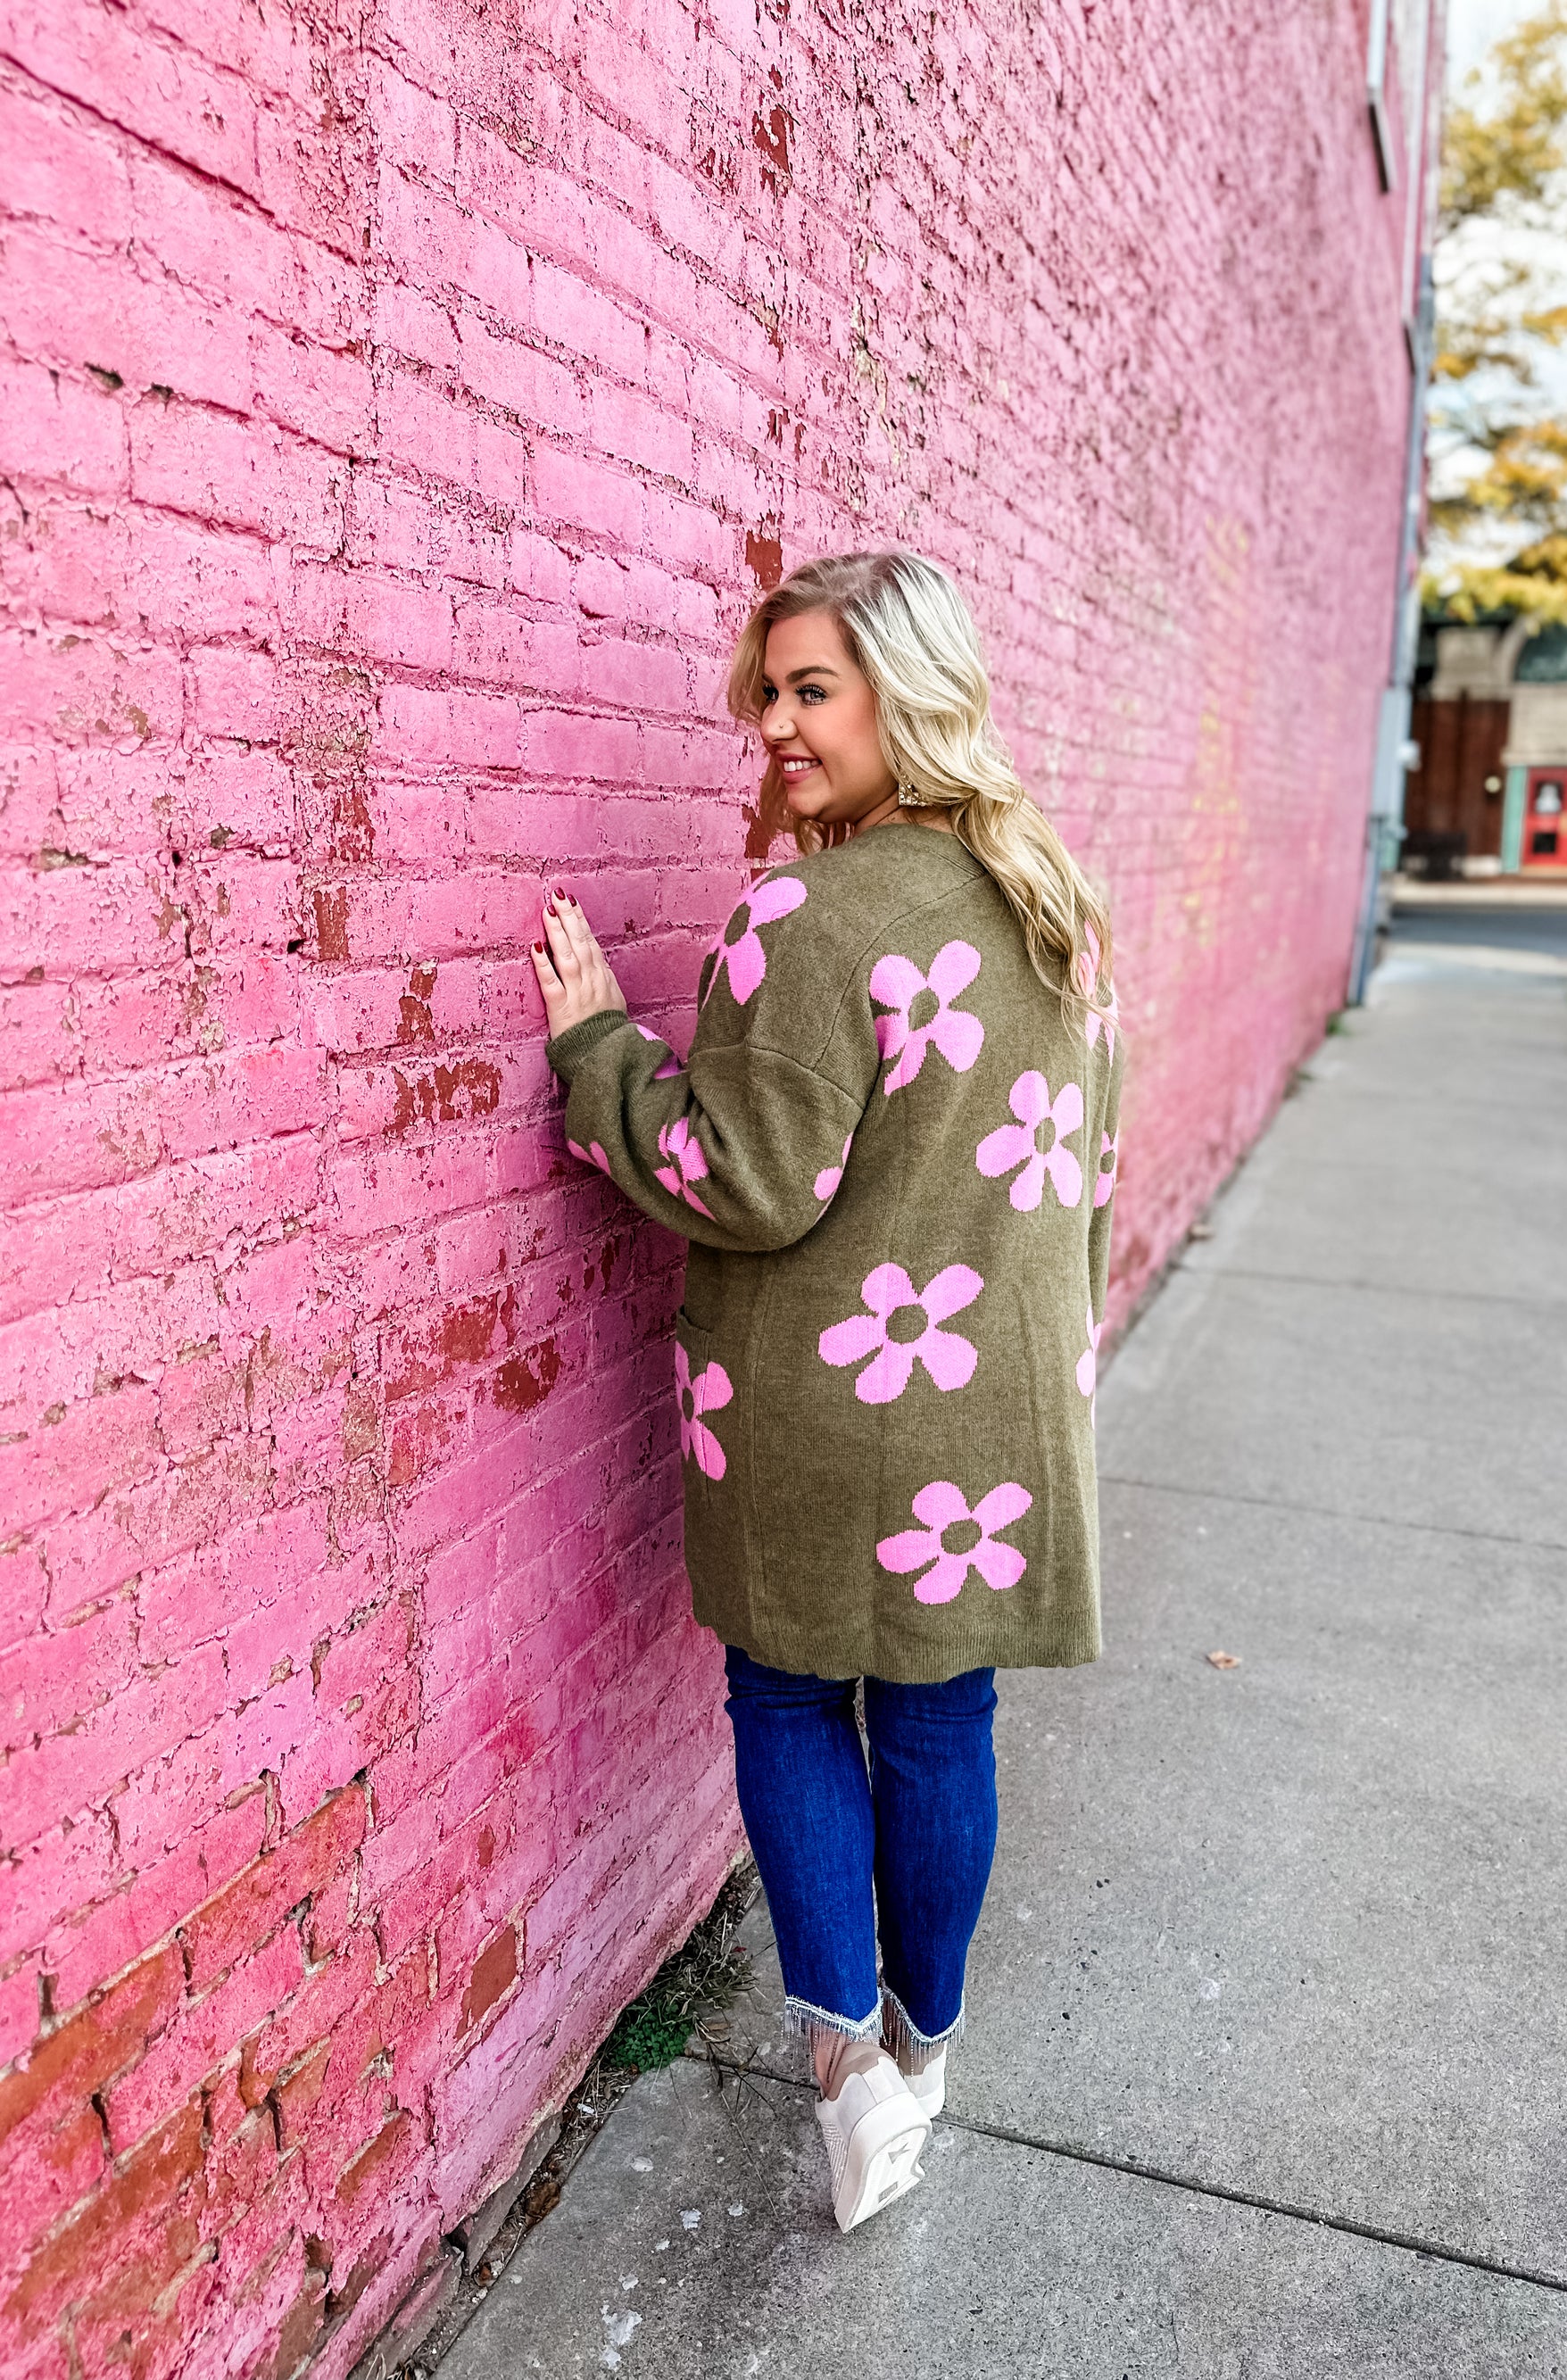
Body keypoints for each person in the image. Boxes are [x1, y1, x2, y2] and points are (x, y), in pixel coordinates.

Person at [530, 551, 1122, 2232]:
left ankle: (847, 2069)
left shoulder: (812, 915)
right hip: (994, 1408)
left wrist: (600, 1054)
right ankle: (925, 2057)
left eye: (814, 691)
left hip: (817, 1399)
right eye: (769, 694)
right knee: (941, 1716)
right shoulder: (1053, 901)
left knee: (790, 1700)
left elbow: (745, 1178)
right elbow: (1081, 1176)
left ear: (904, 696)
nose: (779, 727)